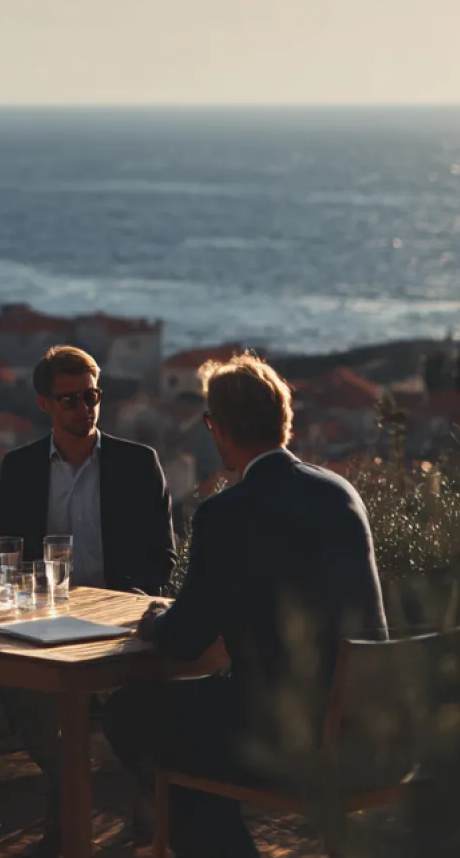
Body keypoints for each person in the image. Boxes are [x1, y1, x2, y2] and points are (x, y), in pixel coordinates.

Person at [102, 353, 388, 858]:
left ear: (218, 429)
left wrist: (154, 623)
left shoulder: (225, 512)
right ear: (285, 419)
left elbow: (186, 639)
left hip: (286, 732)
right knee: (193, 732)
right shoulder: (341, 494)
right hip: (369, 727)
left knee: (132, 714)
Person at [0, 345, 176, 853]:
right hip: (45, 617)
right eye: (70, 400)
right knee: (16, 683)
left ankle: (70, 807)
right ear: (45, 404)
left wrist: (128, 601)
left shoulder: (138, 463)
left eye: (91, 396)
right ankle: (72, 789)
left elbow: (163, 558)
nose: (84, 409)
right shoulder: (21, 467)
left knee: (132, 702)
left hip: (120, 617)